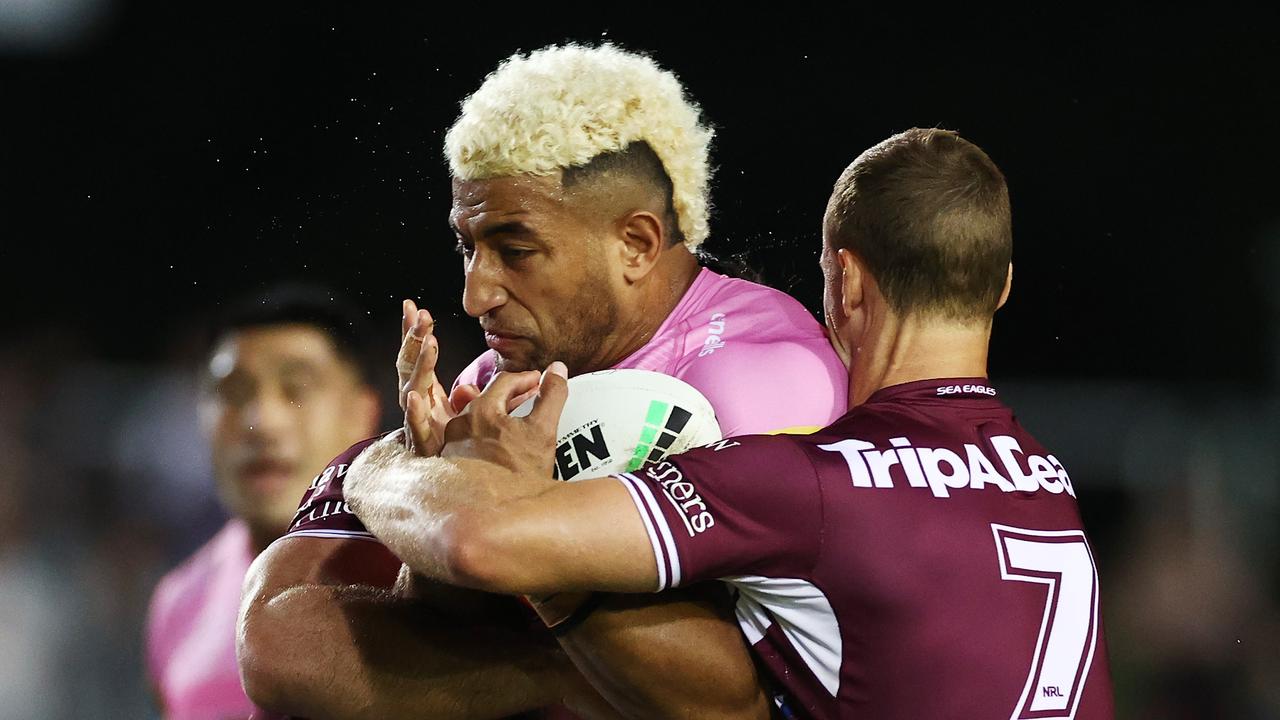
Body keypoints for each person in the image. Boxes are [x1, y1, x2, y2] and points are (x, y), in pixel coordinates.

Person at [343, 128, 1118, 719]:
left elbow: (478, 541)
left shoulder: (806, 480)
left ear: (843, 282)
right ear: (1003, 288)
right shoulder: (1048, 483)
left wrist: (382, 465)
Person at [237, 43, 847, 719]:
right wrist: (403, 467)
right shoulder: (495, 378)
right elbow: (278, 644)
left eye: (514, 250)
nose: (474, 295)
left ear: (637, 245)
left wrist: (448, 500)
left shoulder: (768, 384)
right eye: (467, 246)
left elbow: (742, 705)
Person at [145, 286, 383, 719]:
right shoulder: (177, 601)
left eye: (296, 389)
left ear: (362, 413)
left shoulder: (412, 576)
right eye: (233, 393)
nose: (262, 422)